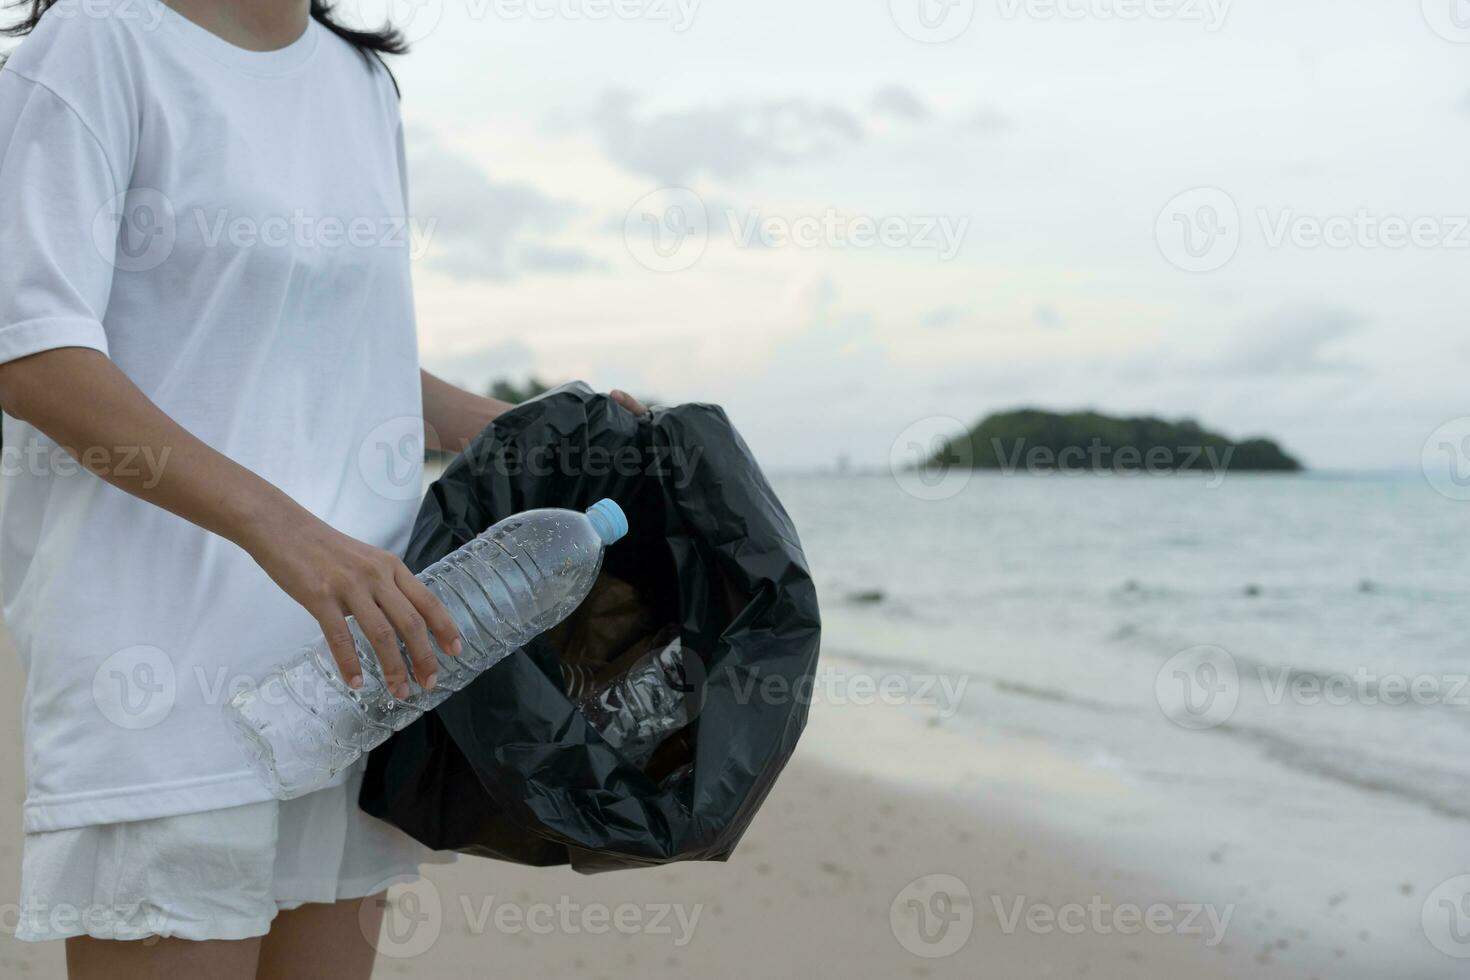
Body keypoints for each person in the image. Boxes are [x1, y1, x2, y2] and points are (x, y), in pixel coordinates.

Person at [0, 0, 646, 975]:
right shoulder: (98, 44)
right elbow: (34, 352)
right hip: (165, 681)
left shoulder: (360, 84)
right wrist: (283, 532)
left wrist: (533, 429)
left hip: (360, 676)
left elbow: (352, 358)